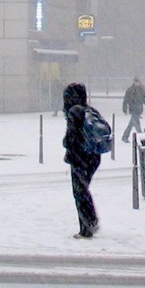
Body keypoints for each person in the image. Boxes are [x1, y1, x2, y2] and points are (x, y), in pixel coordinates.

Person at [62, 81, 101, 239]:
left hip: (80, 157)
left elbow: (71, 139)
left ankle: (87, 228)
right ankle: (91, 221)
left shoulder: (74, 112)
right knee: (83, 191)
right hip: (93, 156)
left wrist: (66, 143)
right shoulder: (89, 110)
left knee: (79, 193)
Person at [121, 76, 145, 142]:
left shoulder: (141, 90)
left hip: (139, 109)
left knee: (131, 124)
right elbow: (126, 100)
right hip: (133, 109)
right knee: (137, 125)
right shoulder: (130, 90)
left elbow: (144, 98)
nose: (138, 83)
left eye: (138, 82)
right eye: (136, 82)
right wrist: (125, 109)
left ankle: (125, 137)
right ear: (134, 82)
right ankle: (141, 138)